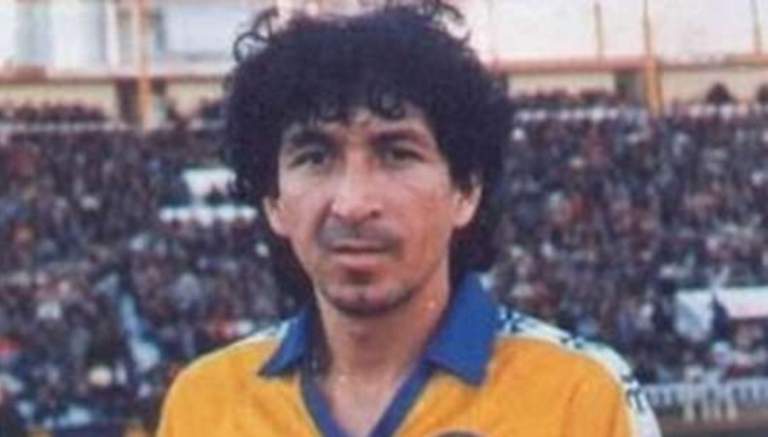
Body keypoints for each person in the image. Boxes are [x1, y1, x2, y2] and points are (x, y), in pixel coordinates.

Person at [158, 2, 661, 436]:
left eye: (396, 153)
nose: (353, 203)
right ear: (273, 200)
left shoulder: (579, 394)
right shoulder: (206, 402)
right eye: (315, 157)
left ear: (466, 190)